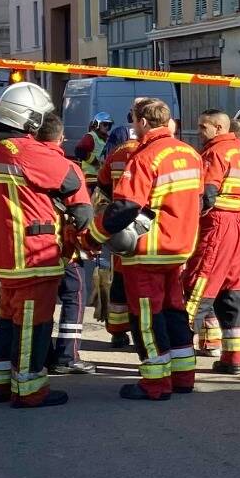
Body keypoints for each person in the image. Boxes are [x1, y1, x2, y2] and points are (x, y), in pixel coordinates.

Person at [0, 82, 93, 409]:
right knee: (34, 324)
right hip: (34, 254)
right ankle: (29, 390)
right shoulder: (27, 151)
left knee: (8, 322)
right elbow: (70, 179)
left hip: (6, 256)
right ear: (28, 119)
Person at [90, 99, 202, 401]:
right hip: (179, 248)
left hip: (148, 250)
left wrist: (93, 235)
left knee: (147, 317)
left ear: (141, 122)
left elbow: (125, 206)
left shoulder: (145, 156)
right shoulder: (190, 153)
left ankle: (155, 383)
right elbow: (200, 200)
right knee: (174, 311)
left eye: (133, 120)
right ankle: (183, 377)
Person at [185, 110, 240, 375]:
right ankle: (234, 358)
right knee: (234, 292)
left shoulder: (215, 153)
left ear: (220, 128)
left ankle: (178, 358)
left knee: (198, 288)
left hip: (217, 227)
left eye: (203, 127)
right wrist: (236, 205)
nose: (199, 132)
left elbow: (206, 195)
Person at [38, 114, 96, 376]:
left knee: (39, 302)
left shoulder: (22, 162)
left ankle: (41, 354)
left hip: (29, 249)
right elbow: (83, 213)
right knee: (74, 295)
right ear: (61, 138)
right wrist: (89, 242)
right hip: (63, 248)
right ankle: (67, 356)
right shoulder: (67, 168)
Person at [94, 100, 150, 350]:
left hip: (119, 223)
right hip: (148, 226)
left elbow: (102, 184)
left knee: (119, 278)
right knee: (144, 284)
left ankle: (117, 332)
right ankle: (144, 334)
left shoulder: (118, 152)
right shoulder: (154, 152)